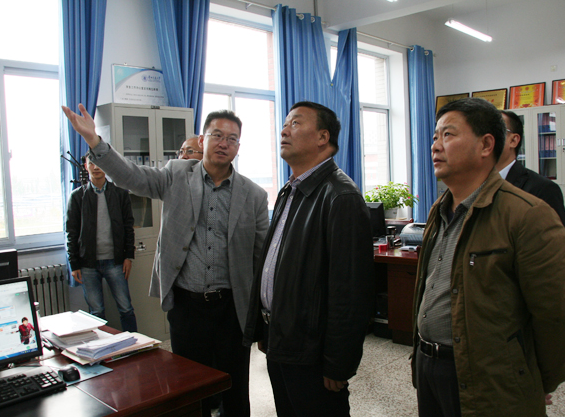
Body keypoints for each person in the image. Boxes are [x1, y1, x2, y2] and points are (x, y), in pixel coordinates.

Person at [62, 103, 268, 417]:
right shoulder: (176, 174)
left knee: (234, 387)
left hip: (231, 308)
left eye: (232, 139)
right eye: (217, 135)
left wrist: (264, 318)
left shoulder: (254, 195)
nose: (224, 143)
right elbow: (131, 176)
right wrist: (95, 142)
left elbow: (262, 258)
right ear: (203, 140)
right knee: (189, 388)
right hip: (187, 307)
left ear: (239, 146)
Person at [412, 98, 565, 417]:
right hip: (429, 367)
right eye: (435, 136)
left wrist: (535, 379)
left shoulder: (527, 214)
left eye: (448, 134)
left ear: (486, 144)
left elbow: (556, 318)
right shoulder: (439, 208)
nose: (435, 146)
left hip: (488, 378)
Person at [243, 101, 374, 416]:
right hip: (282, 339)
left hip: (311, 350)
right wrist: (264, 330)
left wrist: (338, 363)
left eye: (295, 123)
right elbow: (275, 263)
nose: (284, 131)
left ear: (322, 137)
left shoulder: (340, 196)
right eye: (284, 124)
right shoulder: (291, 190)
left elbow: (350, 291)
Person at [66, 155, 138, 332]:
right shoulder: (77, 196)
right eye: (91, 163)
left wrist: (128, 256)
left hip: (115, 261)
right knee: (96, 312)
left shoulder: (120, 194)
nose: (96, 167)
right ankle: (103, 347)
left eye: (99, 163)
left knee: (126, 308)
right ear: (86, 166)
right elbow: (71, 232)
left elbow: (128, 227)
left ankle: (135, 344)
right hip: (88, 264)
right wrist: (74, 264)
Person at [496, 110, 565, 228]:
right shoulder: (473, 185)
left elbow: (552, 237)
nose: (485, 137)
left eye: (494, 130)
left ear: (513, 140)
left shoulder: (543, 189)